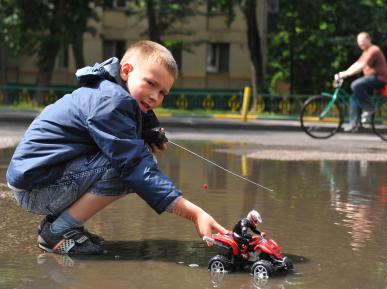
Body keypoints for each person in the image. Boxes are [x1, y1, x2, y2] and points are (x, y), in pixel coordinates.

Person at [6, 40, 226, 255]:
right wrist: (194, 213)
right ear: (126, 71)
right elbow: (134, 166)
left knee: (131, 157)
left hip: (38, 180)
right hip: (37, 190)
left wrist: (149, 129)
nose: (154, 96)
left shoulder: (107, 90)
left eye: (162, 93)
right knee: (130, 168)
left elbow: (136, 114)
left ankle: (62, 223)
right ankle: (58, 232)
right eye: (150, 83)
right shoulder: (110, 101)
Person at [337, 32, 387, 131]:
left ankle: (370, 108)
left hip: (379, 78)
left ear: (369, 40)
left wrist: (346, 74)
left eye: (362, 41)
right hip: (371, 79)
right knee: (353, 98)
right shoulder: (365, 52)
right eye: (359, 42)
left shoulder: (374, 50)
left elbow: (362, 65)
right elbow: (357, 63)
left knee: (355, 85)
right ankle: (354, 123)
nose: (360, 44)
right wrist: (345, 72)